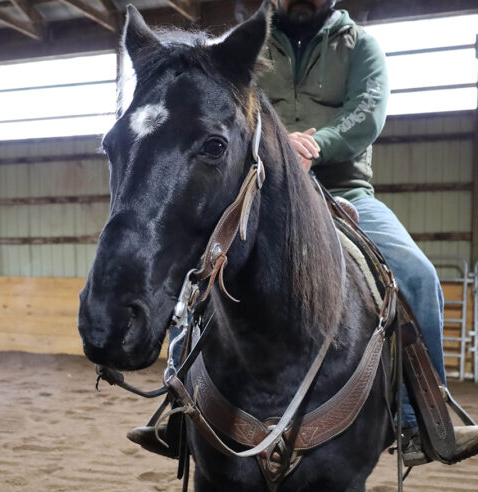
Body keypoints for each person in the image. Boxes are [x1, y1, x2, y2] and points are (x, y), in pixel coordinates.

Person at [127, 0, 478, 466]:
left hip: (342, 188)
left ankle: (422, 419)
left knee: (416, 274)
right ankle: (178, 405)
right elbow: (209, 107)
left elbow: (368, 113)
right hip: (258, 188)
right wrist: (276, 152)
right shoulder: (243, 48)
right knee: (198, 263)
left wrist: (317, 145)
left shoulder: (360, 47)